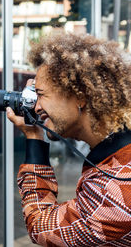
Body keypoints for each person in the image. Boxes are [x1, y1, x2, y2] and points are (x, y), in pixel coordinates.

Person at [7, 33, 131, 246]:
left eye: (41, 94)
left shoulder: (113, 191)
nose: (36, 107)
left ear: (81, 95)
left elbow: (42, 227)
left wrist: (34, 138)